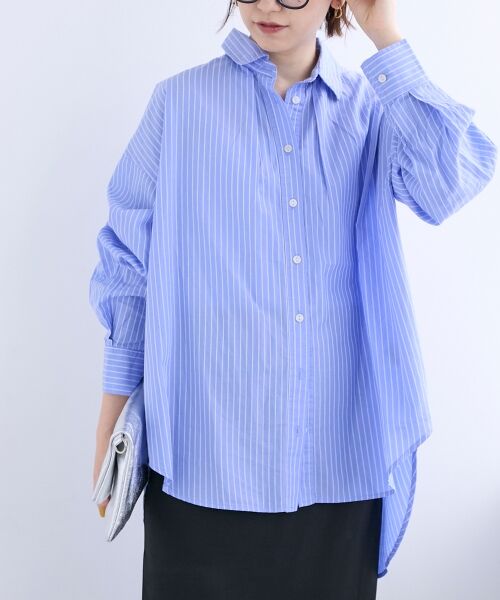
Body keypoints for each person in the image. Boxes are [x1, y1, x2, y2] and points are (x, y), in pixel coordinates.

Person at [90, 1, 498, 599]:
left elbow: (448, 185)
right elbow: (127, 263)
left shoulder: (370, 109)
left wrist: (383, 31)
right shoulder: (179, 104)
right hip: (204, 460)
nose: (266, 6)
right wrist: (111, 424)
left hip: (338, 463)